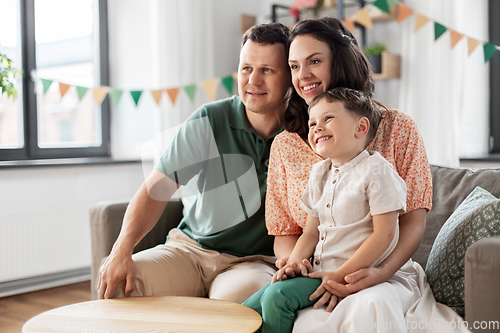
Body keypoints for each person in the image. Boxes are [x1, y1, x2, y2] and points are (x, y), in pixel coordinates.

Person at [97, 22, 291, 303]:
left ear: (290, 75)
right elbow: (156, 189)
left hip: (251, 263)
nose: (253, 80)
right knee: (119, 285)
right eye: (246, 68)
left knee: (234, 304)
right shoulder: (211, 119)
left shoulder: (305, 133)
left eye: (267, 70)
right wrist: (120, 250)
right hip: (188, 251)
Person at [265, 17, 433, 332]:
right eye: (295, 66)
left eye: (315, 61)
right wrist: (297, 267)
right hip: (316, 271)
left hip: (383, 270)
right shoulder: (286, 144)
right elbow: (286, 232)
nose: (304, 75)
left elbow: (412, 222)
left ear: (340, 61)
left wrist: (379, 273)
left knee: (368, 309)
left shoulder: (397, 127)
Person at [243, 88, 407, 333]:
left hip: (348, 272)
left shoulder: (377, 170)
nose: (317, 127)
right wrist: (294, 263)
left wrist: (341, 274)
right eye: (312, 123)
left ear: (360, 128)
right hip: (318, 270)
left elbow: (384, 235)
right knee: (246, 309)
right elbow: (310, 233)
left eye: (328, 119)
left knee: (277, 298)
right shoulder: (319, 173)